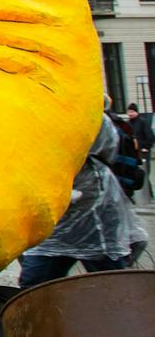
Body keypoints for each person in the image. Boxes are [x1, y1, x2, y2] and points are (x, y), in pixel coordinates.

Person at [18, 111, 149, 286]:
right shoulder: (34, 113)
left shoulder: (88, 115)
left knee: (109, 281)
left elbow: (106, 148)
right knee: (34, 283)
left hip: (93, 216)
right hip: (56, 226)